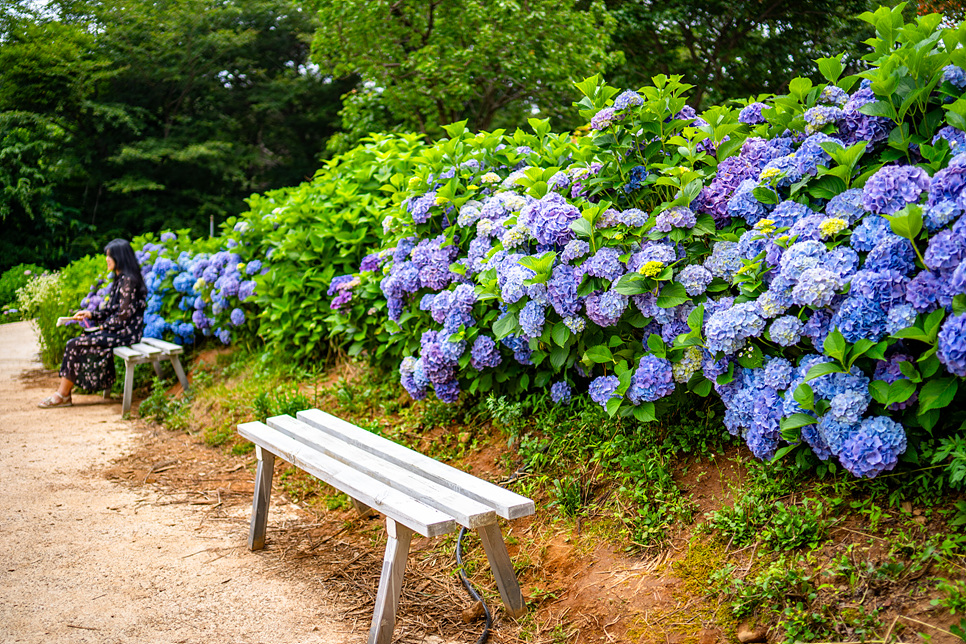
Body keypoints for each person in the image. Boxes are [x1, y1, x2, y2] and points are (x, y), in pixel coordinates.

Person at [39, 239, 148, 408]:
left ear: (120, 257)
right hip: (119, 331)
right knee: (75, 343)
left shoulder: (128, 280)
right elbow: (112, 310)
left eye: (109, 256)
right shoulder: (121, 279)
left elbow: (123, 316)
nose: (107, 259)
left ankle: (63, 395)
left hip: (127, 334)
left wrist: (103, 327)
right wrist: (90, 314)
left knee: (75, 344)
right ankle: (64, 394)